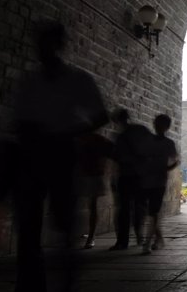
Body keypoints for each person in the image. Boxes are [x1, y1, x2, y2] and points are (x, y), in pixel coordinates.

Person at [13, 20, 108, 292]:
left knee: (64, 225)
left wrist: (69, 132)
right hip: (30, 157)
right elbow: (18, 122)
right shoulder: (30, 81)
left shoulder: (77, 80)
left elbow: (100, 116)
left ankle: (66, 280)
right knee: (27, 230)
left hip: (61, 155)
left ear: (58, 45)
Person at [111, 108, 151, 250]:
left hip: (128, 175)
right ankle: (139, 235)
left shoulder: (120, 136)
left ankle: (123, 241)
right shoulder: (142, 131)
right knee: (139, 207)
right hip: (139, 175)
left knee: (125, 209)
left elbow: (116, 157)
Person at [141, 114, 179, 254]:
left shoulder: (169, 144)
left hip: (159, 181)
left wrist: (166, 169)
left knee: (154, 211)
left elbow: (175, 160)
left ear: (167, 127)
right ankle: (159, 238)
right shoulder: (147, 141)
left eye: (161, 124)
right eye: (156, 123)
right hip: (145, 179)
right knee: (149, 211)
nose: (158, 126)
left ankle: (148, 242)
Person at [75, 132, 114, 249]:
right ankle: (89, 235)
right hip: (82, 174)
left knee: (92, 205)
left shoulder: (98, 140)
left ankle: (91, 236)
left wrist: (103, 165)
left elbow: (112, 152)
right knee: (88, 205)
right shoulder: (80, 138)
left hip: (93, 175)